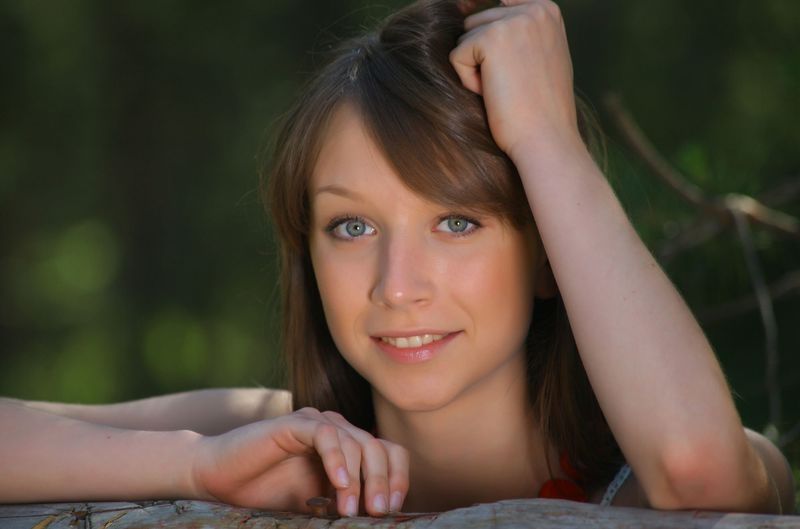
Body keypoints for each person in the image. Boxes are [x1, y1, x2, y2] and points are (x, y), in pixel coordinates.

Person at [0, 0, 795, 517]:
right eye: (351, 227)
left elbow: (700, 479)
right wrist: (198, 466)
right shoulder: (280, 443)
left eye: (456, 221)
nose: (397, 286)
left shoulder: (645, 473)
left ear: (552, 250)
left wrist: (546, 139)